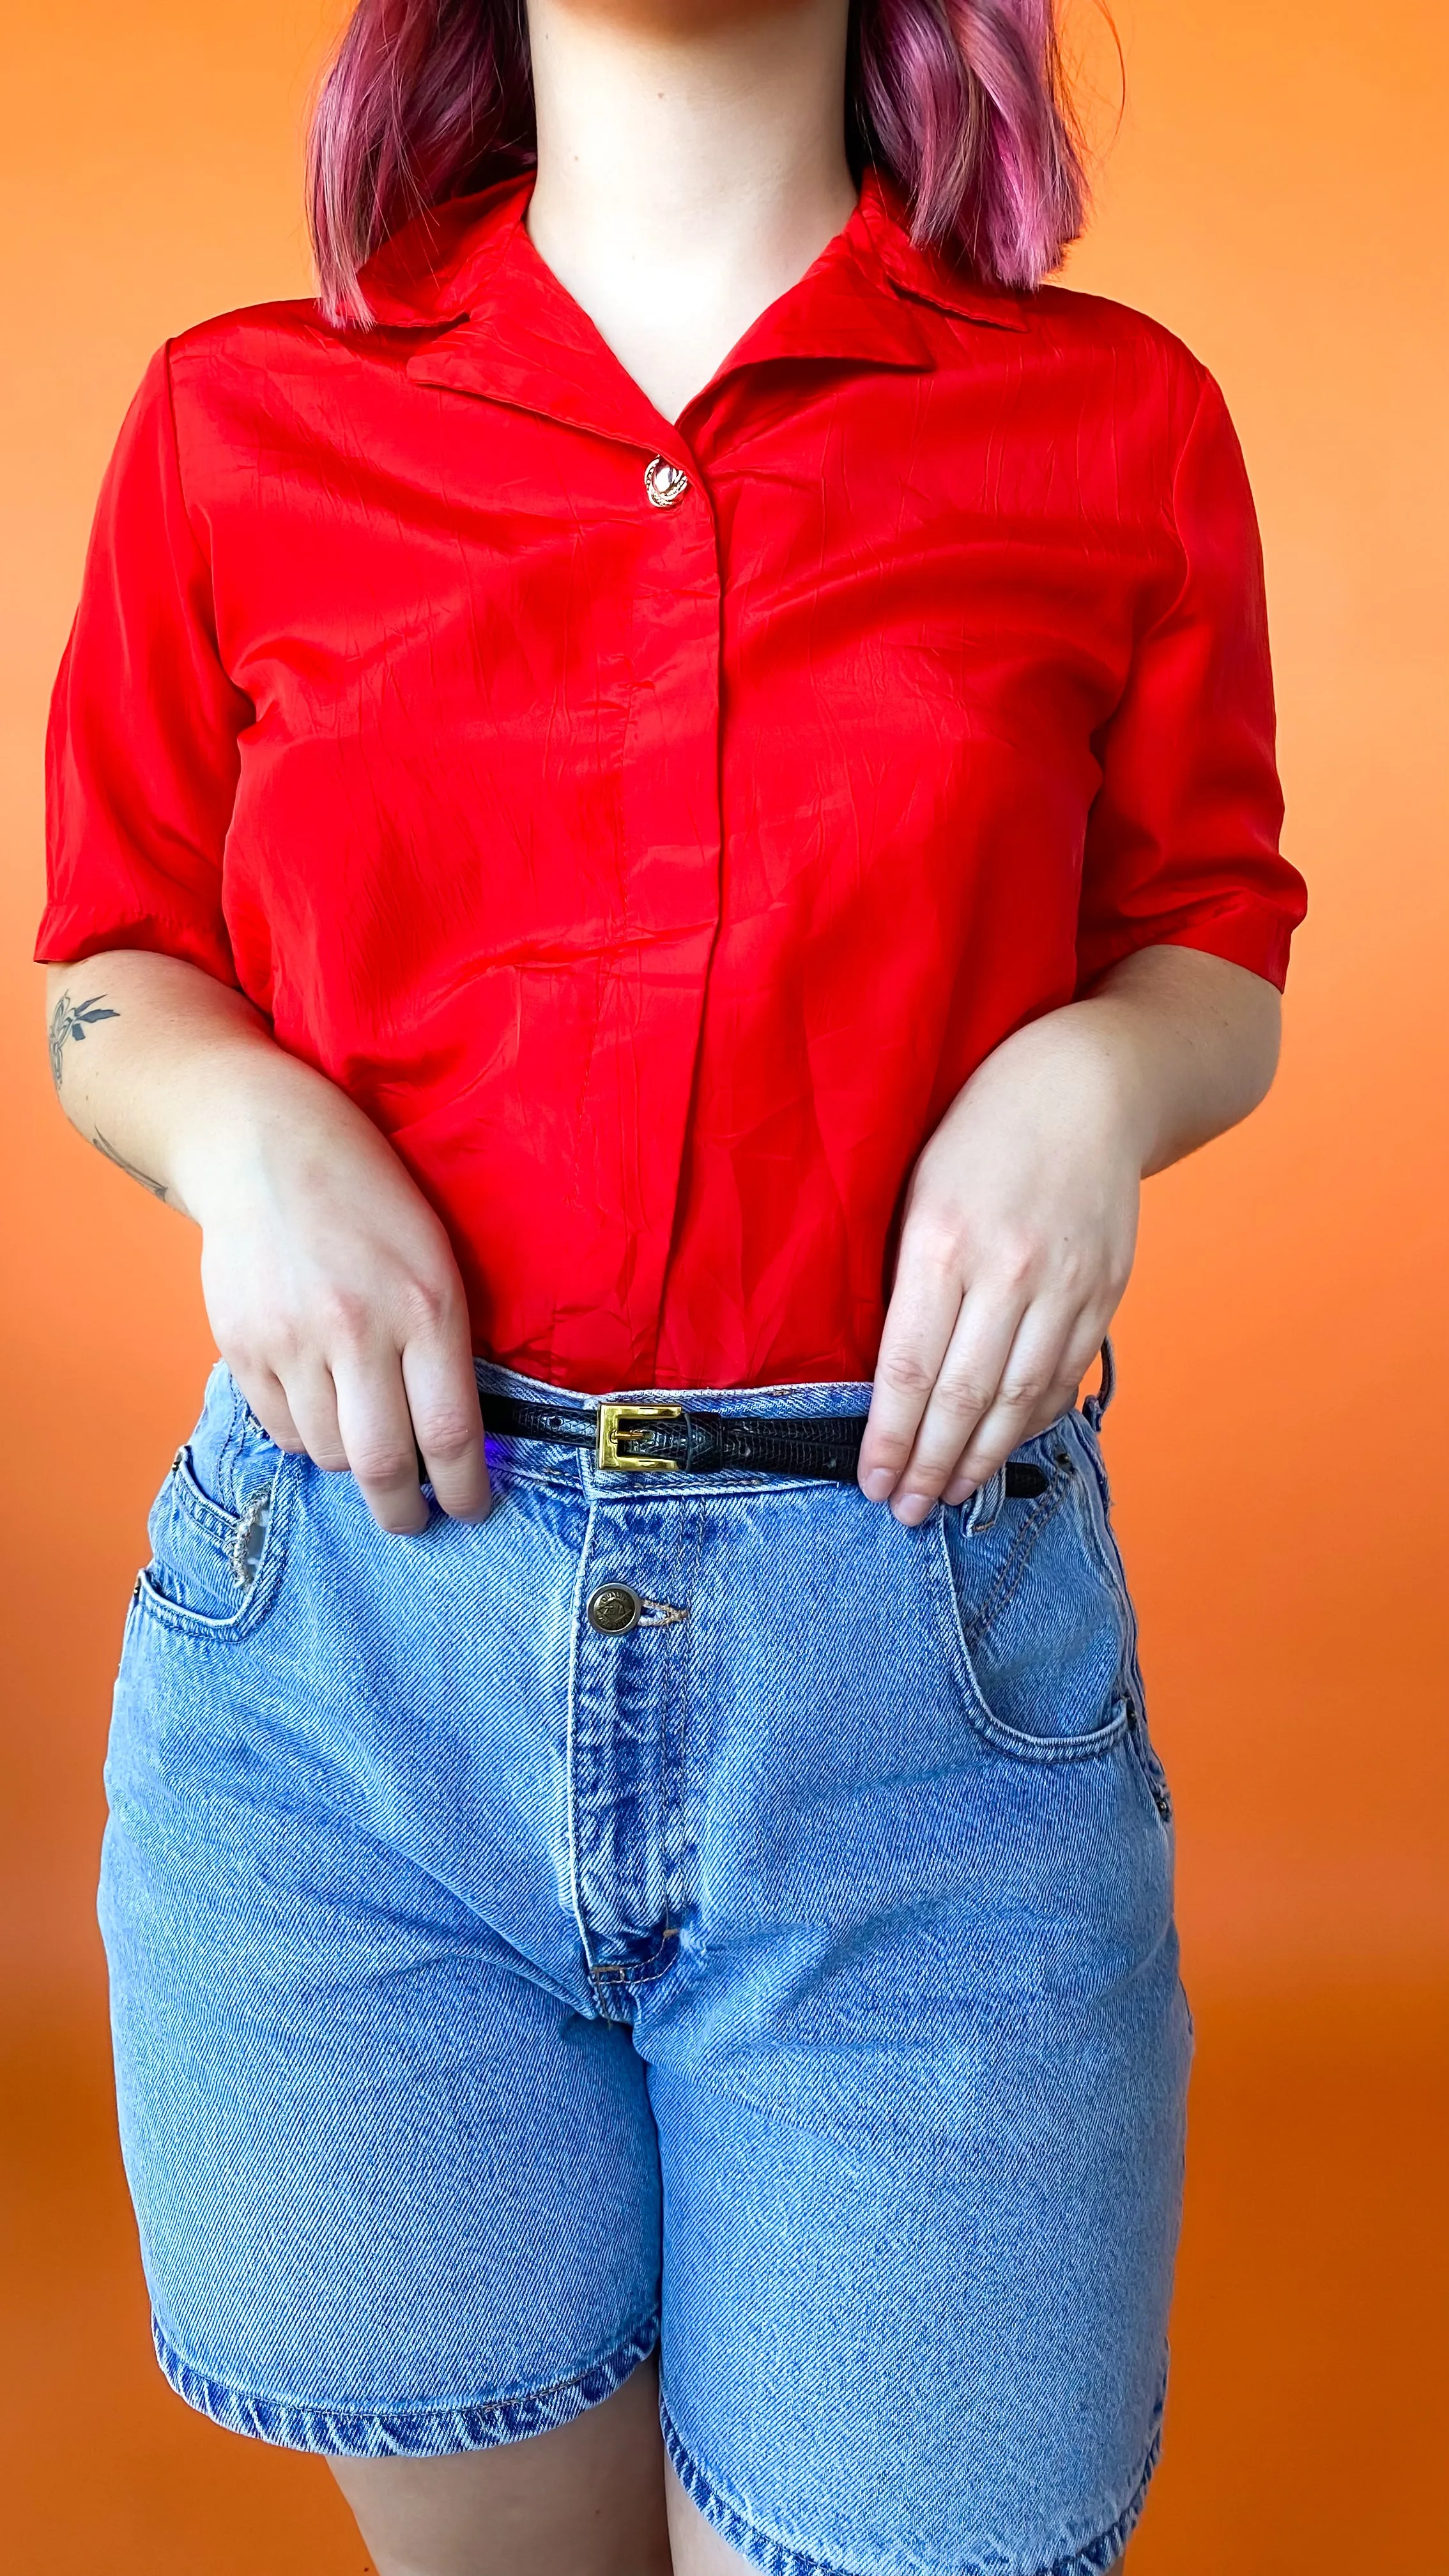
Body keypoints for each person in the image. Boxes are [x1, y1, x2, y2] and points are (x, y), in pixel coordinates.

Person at [36, 0, 1307, 2568]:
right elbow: (108, 969)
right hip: (347, 1693)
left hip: (914, 1703)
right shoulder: (229, 424)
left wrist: (1106, 1082)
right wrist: (233, 1120)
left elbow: (1211, 939)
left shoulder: (1121, 427)